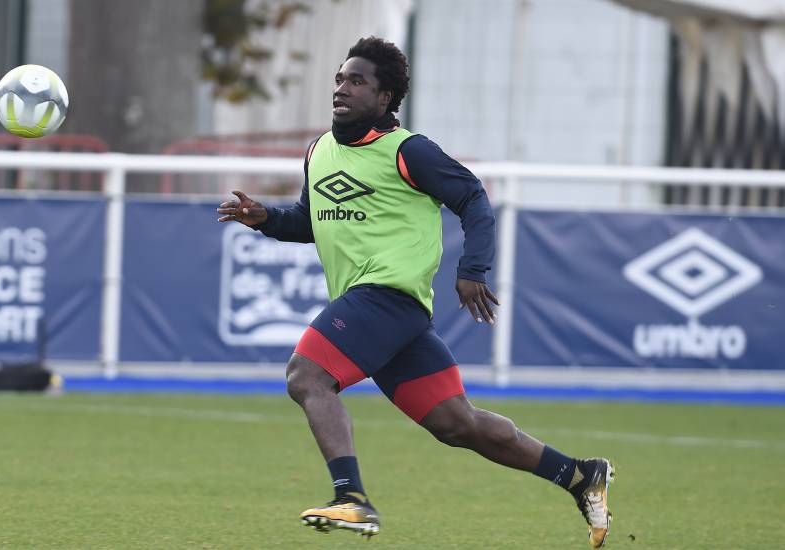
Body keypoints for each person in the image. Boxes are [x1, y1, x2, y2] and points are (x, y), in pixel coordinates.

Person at [217, 36, 615, 548]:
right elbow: (312, 221)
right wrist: (266, 218)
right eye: (340, 78)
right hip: (382, 312)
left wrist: (473, 268)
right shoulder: (319, 151)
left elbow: (473, 198)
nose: (342, 88)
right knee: (458, 424)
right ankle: (580, 475)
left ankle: (351, 499)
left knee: (306, 376)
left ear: (385, 98)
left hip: (387, 296)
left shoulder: (409, 151)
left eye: (357, 81)